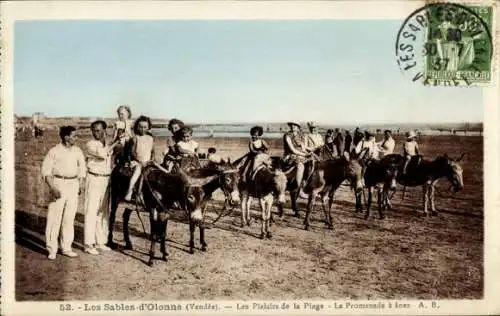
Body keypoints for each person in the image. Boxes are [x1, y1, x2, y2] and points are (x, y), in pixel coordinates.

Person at [41, 126, 86, 260]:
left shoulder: (78, 151)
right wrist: (53, 188)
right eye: (74, 136)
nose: (76, 138)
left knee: (69, 218)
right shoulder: (54, 151)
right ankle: (52, 249)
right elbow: (46, 172)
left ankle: (66, 247)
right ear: (66, 137)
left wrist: (80, 184)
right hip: (58, 184)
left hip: (73, 184)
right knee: (55, 218)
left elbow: (82, 168)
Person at [83, 121, 121, 255]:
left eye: (98, 130)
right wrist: (116, 141)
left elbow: (113, 154)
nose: (95, 133)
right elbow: (102, 153)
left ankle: (100, 241)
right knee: (91, 210)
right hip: (93, 178)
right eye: (93, 130)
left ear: (105, 130)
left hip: (106, 179)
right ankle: (88, 244)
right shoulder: (90, 144)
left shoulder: (107, 143)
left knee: (103, 211)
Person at [124, 116, 155, 202]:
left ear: (148, 127)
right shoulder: (135, 138)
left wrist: (151, 160)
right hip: (137, 161)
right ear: (137, 127)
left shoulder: (151, 138)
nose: (142, 129)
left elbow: (152, 151)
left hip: (148, 162)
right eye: (140, 127)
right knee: (137, 173)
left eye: (145, 127)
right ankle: (129, 191)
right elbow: (133, 152)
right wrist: (140, 161)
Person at [283, 122, 310, 195]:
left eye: (295, 125)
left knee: (313, 162)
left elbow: (303, 148)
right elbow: (292, 149)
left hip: (301, 154)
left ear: (298, 127)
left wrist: (310, 152)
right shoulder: (287, 136)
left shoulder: (300, 135)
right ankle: (298, 188)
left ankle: (307, 184)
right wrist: (304, 154)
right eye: (291, 125)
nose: (293, 126)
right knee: (300, 166)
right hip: (290, 155)